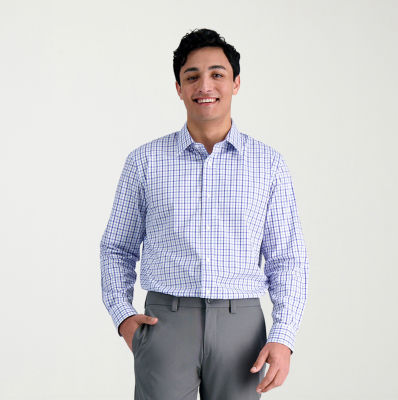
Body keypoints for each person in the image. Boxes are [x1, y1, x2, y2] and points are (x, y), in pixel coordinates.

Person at [100, 28, 309, 399]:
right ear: (179, 88)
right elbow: (117, 247)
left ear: (236, 83)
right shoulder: (145, 162)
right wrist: (123, 317)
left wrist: (284, 335)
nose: (205, 86)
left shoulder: (268, 165)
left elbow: (287, 258)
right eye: (192, 76)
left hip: (241, 328)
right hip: (165, 322)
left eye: (217, 74)